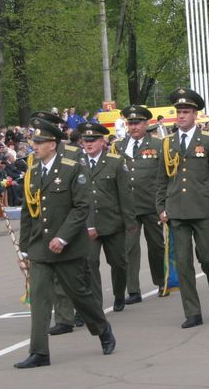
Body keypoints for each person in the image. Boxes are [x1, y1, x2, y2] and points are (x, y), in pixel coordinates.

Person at [13, 118, 115, 369]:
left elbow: (82, 207)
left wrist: (63, 237)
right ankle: (39, 352)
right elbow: (29, 211)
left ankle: (102, 329)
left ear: (53, 144)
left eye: (40, 142)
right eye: (33, 142)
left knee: (80, 296)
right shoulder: (33, 171)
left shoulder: (72, 167)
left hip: (67, 246)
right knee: (38, 298)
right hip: (39, 246)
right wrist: (24, 248)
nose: (34, 147)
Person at [156, 88, 209, 329]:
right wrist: (160, 207)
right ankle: (192, 312)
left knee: (208, 258)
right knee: (183, 263)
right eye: (178, 112)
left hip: (202, 210)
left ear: (195, 115)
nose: (181, 116)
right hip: (176, 212)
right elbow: (161, 180)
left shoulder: (207, 141)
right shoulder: (167, 143)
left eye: (186, 112)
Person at [75, 122, 136, 313]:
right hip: (87, 224)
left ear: (102, 141)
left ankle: (119, 294)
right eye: (86, 140)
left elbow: (125, 195)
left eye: (93, 140)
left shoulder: (115, 162)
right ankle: (95, 305)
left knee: (119, 262)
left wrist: (130, 221)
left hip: (113, 222)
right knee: (90, 263)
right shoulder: (77, 163)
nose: (89, 144)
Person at [114, 105, 166, 298]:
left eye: (137, 123)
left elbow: (165, 175)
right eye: (130, 123)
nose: (134, 127)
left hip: (152, 204)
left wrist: (164, 203)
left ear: (146, 124)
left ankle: (161, 281)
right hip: (129, 207)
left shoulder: (158, 145)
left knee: (156, 246)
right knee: (129, 248)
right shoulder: (119, 146)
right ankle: (133, 290)